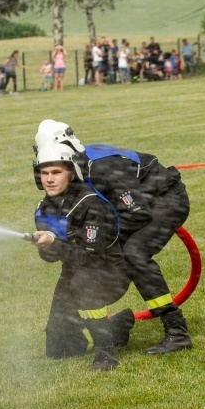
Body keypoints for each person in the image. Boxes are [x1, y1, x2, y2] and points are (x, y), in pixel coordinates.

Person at [33, 120, 193, 355]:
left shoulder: (102, 168)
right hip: (129, 209)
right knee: (79, 263)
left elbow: (137, 214)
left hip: (164, 199)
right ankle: (107, 330)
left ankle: (177, 330)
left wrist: (97, 241)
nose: (49, 175)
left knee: (133, 252)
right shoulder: (67, 172)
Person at [28, 137, 131, 370]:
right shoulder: (44, 208)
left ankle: (106, 353)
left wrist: (54, 243)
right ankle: (118, 325)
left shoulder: (91, 204)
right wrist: (45, 247)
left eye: (56, 172)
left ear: (72, 174)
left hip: (109, 272)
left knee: (83, 281)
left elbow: (90, 257)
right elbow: (51, 257)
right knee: (60, 349)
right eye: (44, 173)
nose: (50, 179)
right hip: (73, 272)